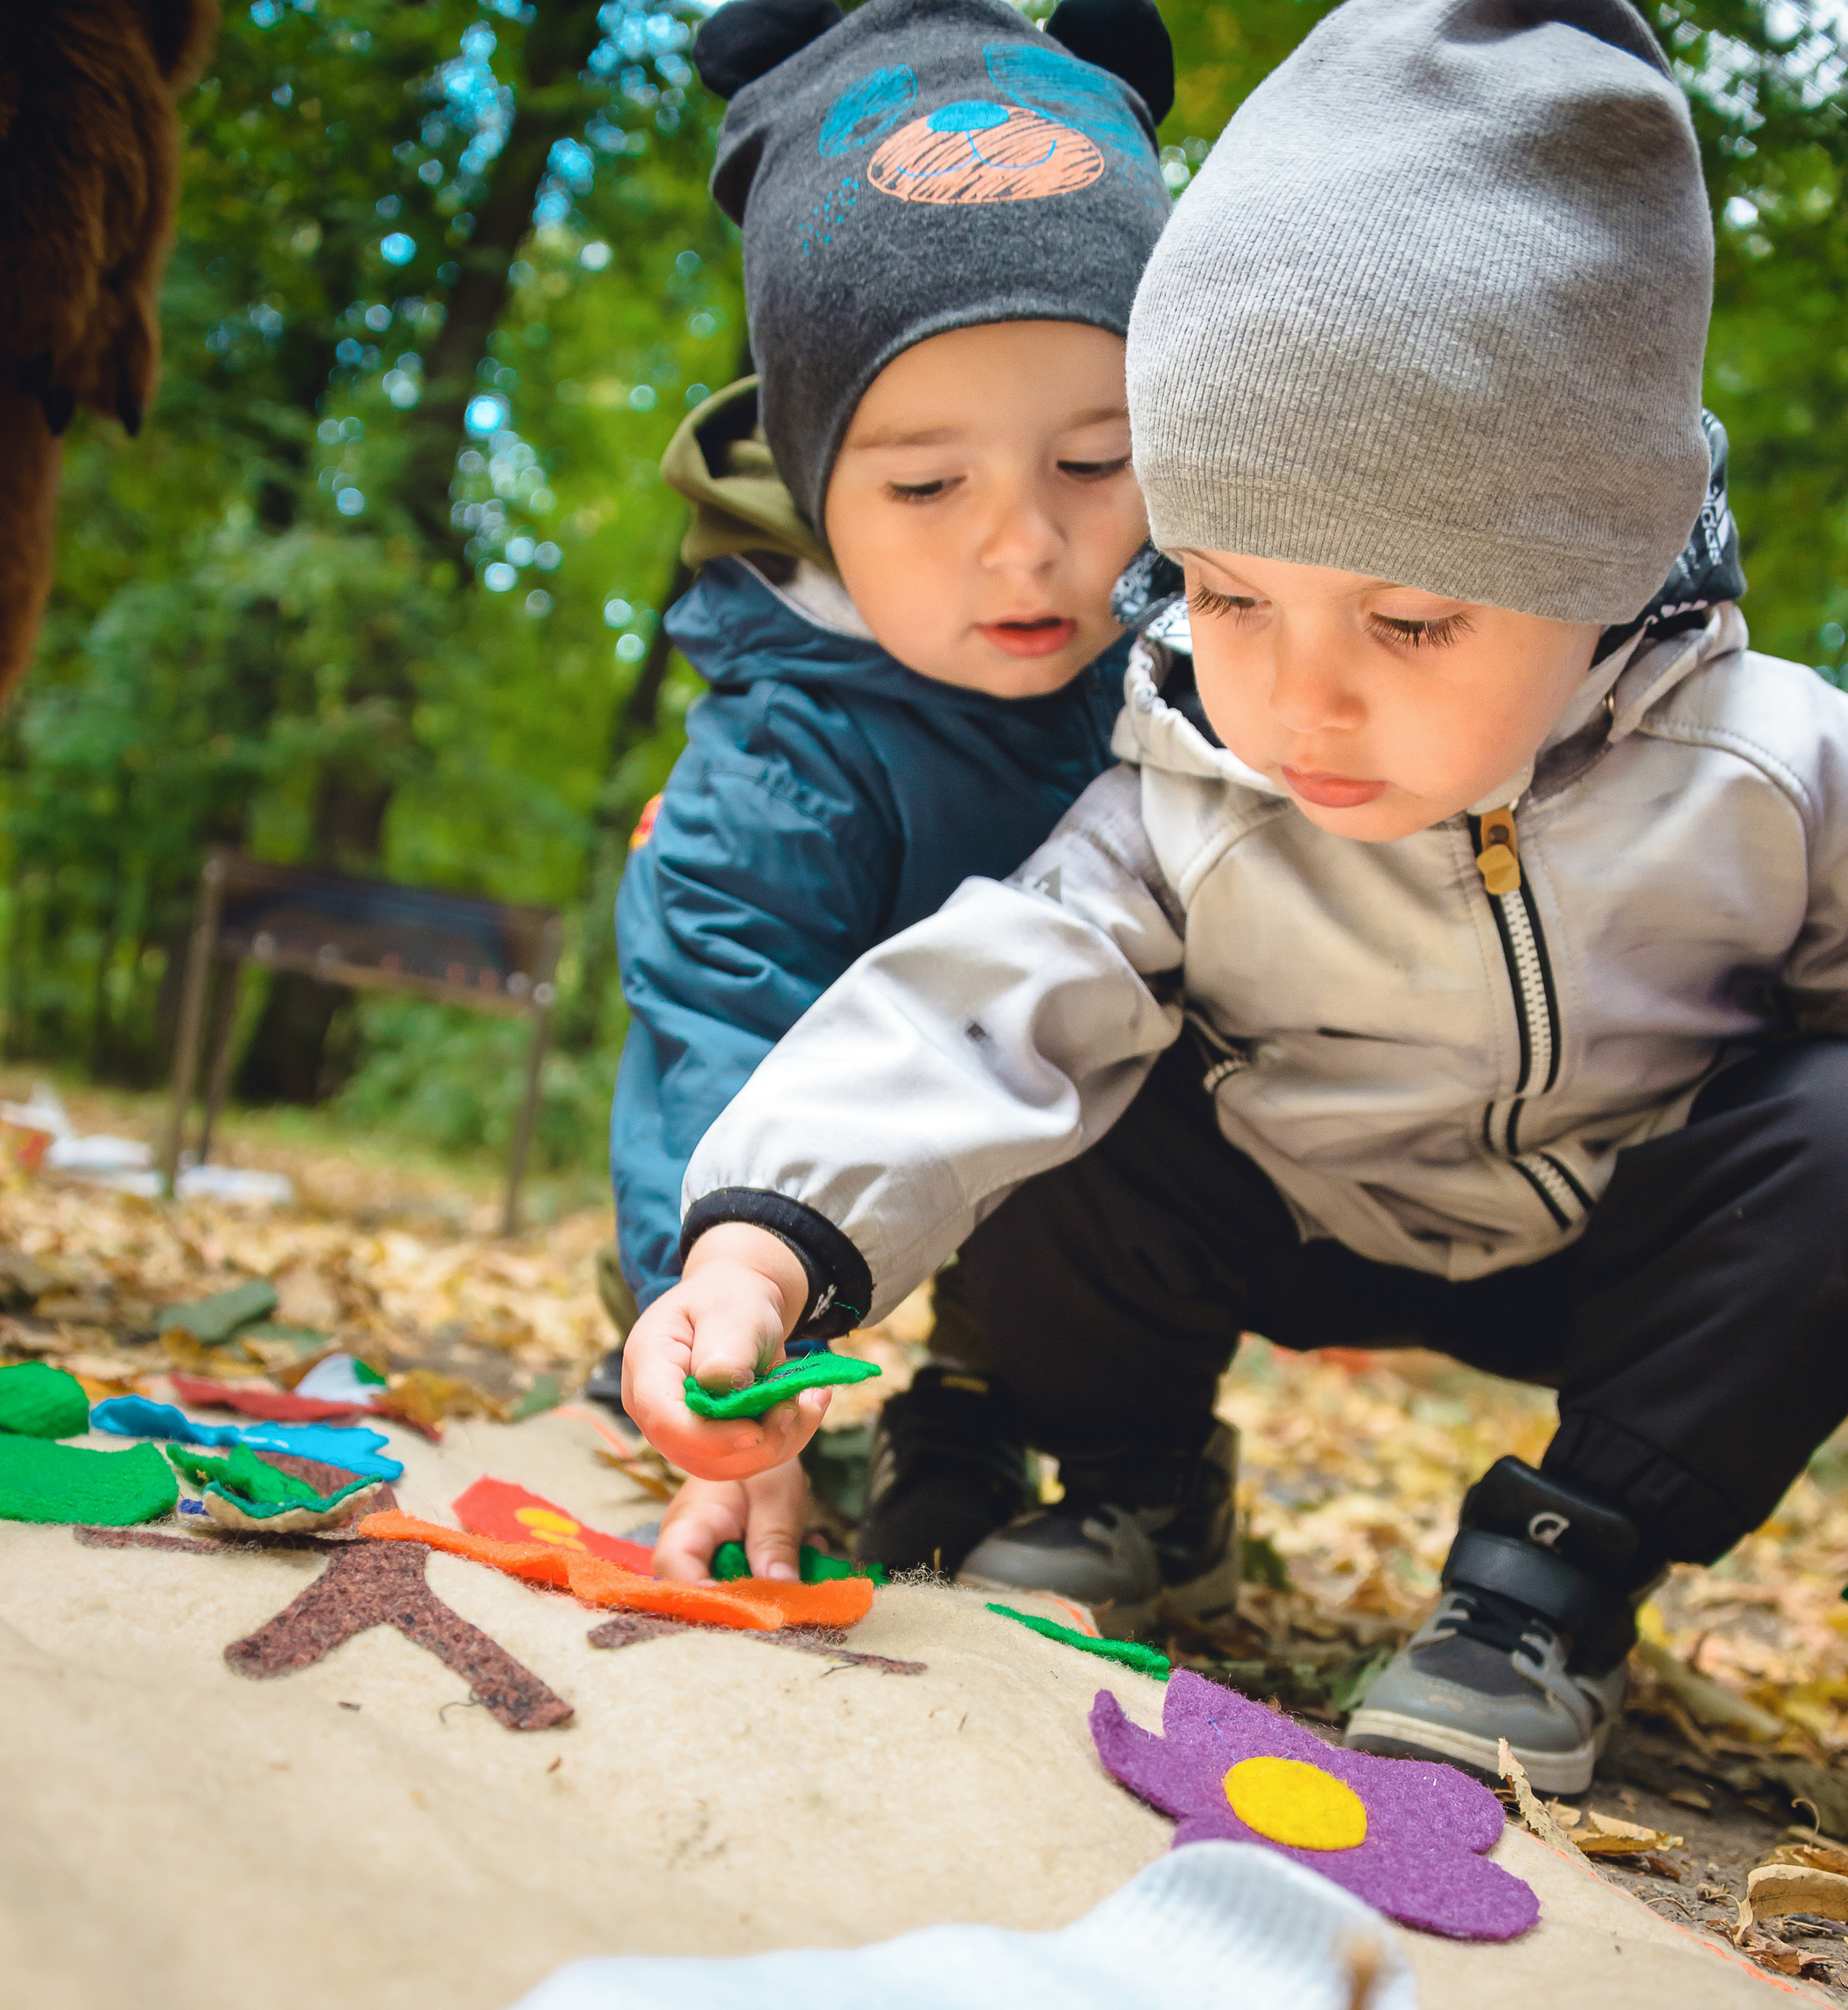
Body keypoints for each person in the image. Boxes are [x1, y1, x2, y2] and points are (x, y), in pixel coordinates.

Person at [625, 0, 1848, 1795]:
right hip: (1282, 1197)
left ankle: (1553, 1570)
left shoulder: (1770, 767)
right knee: (1071, 1061)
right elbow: (976, 998)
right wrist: (756, 1245)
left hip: (1609, 1243)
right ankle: (1136, 1482)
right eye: (1227, 593)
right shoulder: (1185, 776)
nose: (1299, 698)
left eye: (1414, 620)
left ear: (1605, 550)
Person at [606, 0, 1175, 1583]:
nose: (1021, 546)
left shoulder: (1200, 694)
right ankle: (687, 1365)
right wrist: (708, 1309)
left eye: (1092, 463)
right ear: (807, 482)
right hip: (761, 1210)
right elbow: (708, 1029)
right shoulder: (786, 765)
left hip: (1068, 1217)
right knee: (703, 1331)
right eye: (926, 485)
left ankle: (1035, 1423)